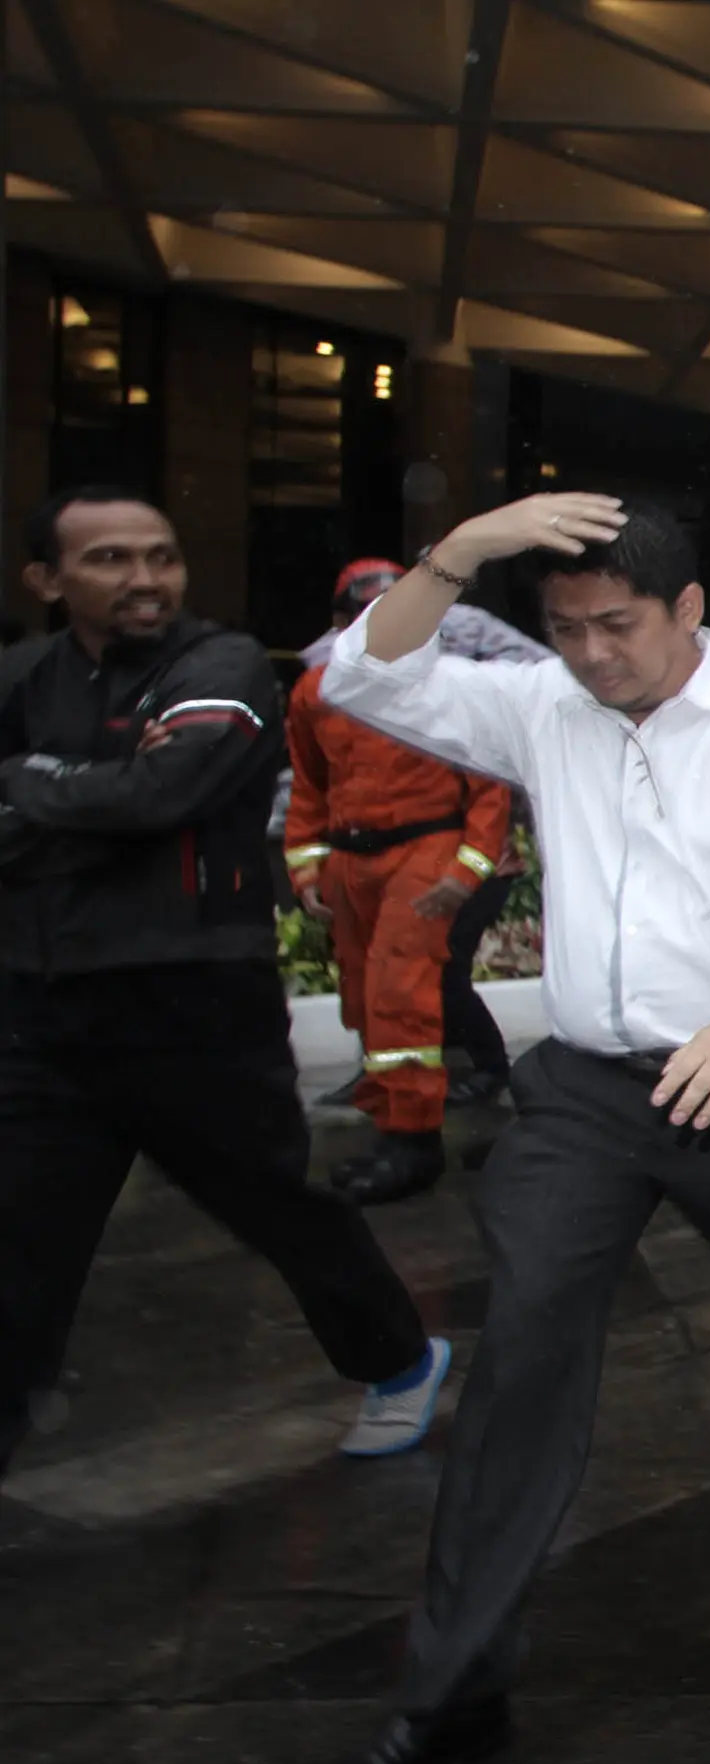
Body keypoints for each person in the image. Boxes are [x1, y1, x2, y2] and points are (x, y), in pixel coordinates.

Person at [283, 492, 710, 1764]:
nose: (591, 655)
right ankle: (455, 1692)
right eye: (566, 628)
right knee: (521, 1345)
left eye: (619, 628)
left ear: (688, 611)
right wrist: (459, 552)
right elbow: (363, 672)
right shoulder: (543, 709)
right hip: (587, 1089)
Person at [0, 489, 451, 1476]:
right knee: (22, 1242)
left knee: (276, 1208)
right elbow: (127, 800)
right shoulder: (24, 677)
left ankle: (399, 1358)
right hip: (41, 1012)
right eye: (111, 559)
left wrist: (32, 784)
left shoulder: (222, 663)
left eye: (160, 556)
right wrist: (95, 790)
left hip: (194, 1005)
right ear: (46, 579)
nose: (145, 579)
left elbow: (165, 794)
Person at [282, 559, 520, 1205]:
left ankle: (412, 1140)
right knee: (363, 993)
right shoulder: (316, 693)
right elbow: (310, 786)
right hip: (352, 862)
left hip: (424, 851)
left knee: (401, 991)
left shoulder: (451, 688)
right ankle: (390, 1119)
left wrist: (462, 870)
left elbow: (488, 792)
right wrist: (307, 870)